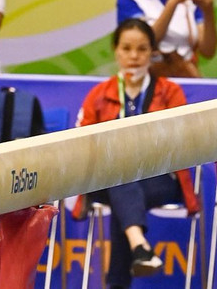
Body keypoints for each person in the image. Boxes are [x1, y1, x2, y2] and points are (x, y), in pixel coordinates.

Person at [75, 19, 200, 282]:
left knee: (124, 183)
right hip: (105, 178)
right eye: (127, 48)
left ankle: (133, 254)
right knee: (122, 176)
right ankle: (140, 246)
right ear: (116, 50)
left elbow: (185, 141)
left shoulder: (170, 92)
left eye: (142, 49)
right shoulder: (99, 94)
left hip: (160, 179)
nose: (134, 56)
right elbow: (81, 143)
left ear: (152, 52)